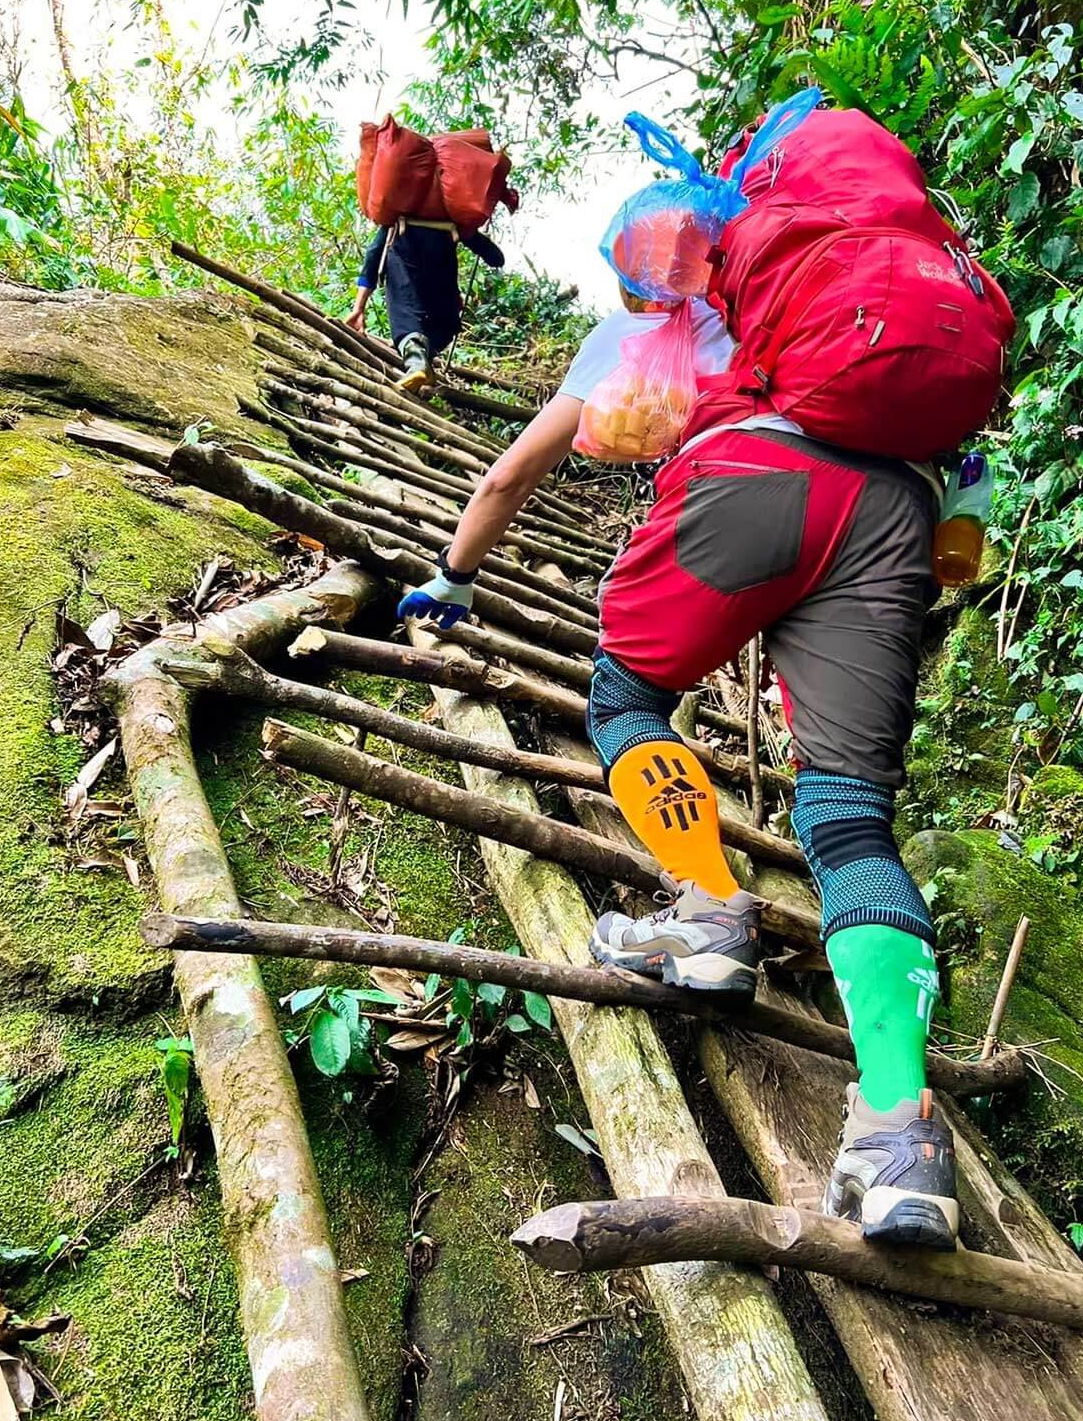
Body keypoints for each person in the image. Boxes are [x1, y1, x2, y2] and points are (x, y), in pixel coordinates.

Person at [398, 258, 959, 1256]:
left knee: (626, 699)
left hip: (750, 481)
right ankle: (898, 1131)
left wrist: (451, 576)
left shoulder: (640, 339)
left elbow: (508, 472)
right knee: (847, 816)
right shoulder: (831, 323)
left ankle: (704, 908)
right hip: (895, 510)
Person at [346, 221, 505, 393]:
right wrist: (486, 247)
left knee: (406, 319)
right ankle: (424, 365)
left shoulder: (396, 218)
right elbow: (495, 258)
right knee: (440, 327)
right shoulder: (451, 219)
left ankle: (417, 364)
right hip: (443, 292)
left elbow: (373, 258)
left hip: (405, 272)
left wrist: (359, 308)